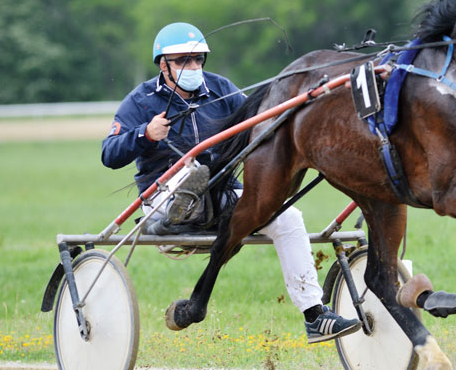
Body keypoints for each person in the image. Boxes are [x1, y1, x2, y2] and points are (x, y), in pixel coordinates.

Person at [101, 22, 361, 343]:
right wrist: (145, 133)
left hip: (222, 194)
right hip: (162, 197)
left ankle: (315, 315)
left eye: (198, 60)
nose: (193, 67)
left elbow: (262, 120)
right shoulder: (140, 101)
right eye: (183, 60)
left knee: (288, 217)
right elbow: (109, 154)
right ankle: (187, 201)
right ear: (163, 64)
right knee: (192, 175)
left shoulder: (221, 89)